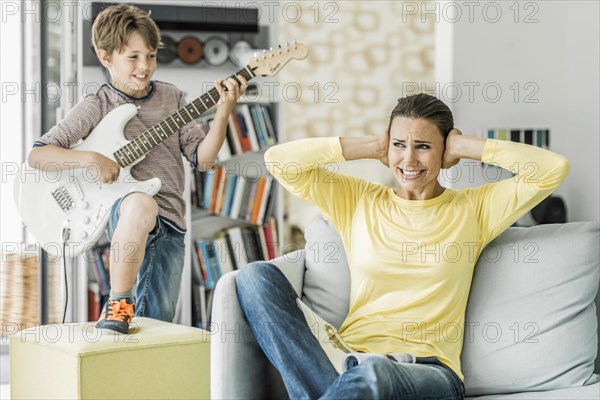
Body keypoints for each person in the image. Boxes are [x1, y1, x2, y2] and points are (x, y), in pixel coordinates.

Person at [236, 93, 570, 399]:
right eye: (399, 144)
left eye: (424, 146)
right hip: (349, 359)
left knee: (376, 374)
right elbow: (279, 161)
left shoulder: (475, 208)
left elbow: (552, 169)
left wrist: (466, 145)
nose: (408, 158)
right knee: (254, 277)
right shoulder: (357, 200)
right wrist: (370, 145)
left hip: (430, 371)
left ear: (445, 152)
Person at [27, 4, 247, 334]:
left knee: (156, 325)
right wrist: (91, 160)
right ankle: (118, 301)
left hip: (171, 222)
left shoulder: (172, 97)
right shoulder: (98, 105)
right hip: (129, 216)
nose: (144, 67)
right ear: (106, 58)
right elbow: (39, 156)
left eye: (150, 56)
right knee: (141, 203)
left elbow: (203, 160)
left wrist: (224, 110)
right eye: (132, 57)